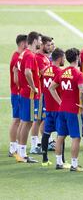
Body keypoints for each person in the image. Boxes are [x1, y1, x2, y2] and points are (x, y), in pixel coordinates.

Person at [49, 48, 83, 171]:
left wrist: (60, 102)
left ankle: (59, 162)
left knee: (60, 136)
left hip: (62, 109)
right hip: (74, 110)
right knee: (76, 137)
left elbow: (51, 88)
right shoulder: (79, 74)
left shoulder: (62, 72)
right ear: (77, 57)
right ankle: (74, 165)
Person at [14, 31, 42, 163]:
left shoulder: (23, 54)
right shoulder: (30, 55)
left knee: (24, 122)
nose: (41, 43)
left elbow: (16, 72)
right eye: (40, 41)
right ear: (35, 41)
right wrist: (33, 87)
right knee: (28, 123)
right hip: (30, 94)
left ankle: (20, 152)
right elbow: (27, 72)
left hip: (23, 93)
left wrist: (22, 86)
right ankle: (23, 154)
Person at [41, 48, 66, 167]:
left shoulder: (46, 70)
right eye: (64, 58)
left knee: (46, 133)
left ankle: (44, 159)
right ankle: (62, 160)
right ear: (60, 58)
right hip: (57, 106)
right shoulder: (59, 72)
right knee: (61, 134)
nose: (64, 60)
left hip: (48, 105)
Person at [30, 35, 53, 154]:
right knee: (38, 119)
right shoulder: (38, 58)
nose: (50, 47)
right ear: (42, 45)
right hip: (40, 93)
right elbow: (42, 73)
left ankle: (44, 142)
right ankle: (34, 146)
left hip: (45, 92)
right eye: (48, 45)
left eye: (51, 45)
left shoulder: (45, 58)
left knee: (43, 118)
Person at [8, 34, 27, 157]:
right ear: (22, 43)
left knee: (19, 120)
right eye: (27, 42)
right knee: (17, 120)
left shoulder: (17, 56)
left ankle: (15, 146)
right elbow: (16, 78)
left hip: (17, 92)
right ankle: (13, 147)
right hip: (17, 92)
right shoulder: (16, 58)